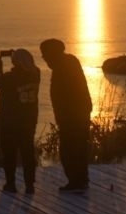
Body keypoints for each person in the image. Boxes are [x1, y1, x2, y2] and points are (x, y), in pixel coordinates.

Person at [39, 38, 92, 193]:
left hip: (72, 116)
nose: (44, 58)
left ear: (52, 54)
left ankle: (76, 181)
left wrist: (65, 114)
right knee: (78, 147)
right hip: (77, 113)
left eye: (45, 55)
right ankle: (80, 180)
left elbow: (68, 94)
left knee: (70, 149)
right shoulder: (68, 62)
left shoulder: (63, 67)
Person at [0, 48, 40, 194]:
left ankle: (10, 184)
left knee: (9, 154)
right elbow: (31, 67)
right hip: (29, 121)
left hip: (10, 122)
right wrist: (18, 56)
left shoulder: (11, 78)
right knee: (28, 153)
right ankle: (29, 185)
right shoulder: (36, 74)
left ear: (15, 62)